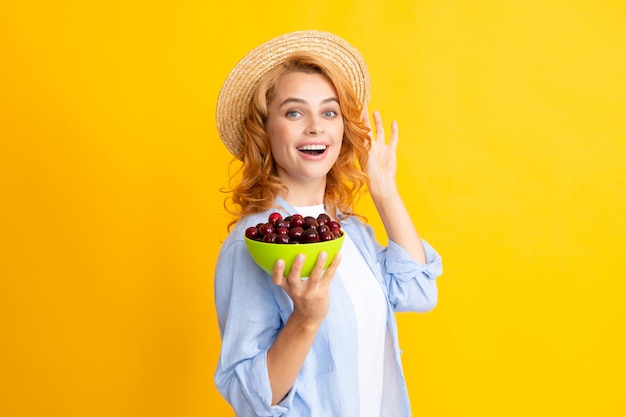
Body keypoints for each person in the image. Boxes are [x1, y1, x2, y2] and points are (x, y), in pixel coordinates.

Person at [214, 30, 443, 417]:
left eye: (329, 112)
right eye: (294, 112)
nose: (315, 127)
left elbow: (419, 293)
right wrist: (305, 319)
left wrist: (384, 192)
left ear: (341, 129)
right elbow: (248, 397)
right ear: (265, 130)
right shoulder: (254, 245)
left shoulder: (350, 232)